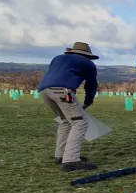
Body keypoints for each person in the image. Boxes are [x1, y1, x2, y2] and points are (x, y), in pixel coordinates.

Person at [37, 42, 100, 171]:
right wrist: (88, 102)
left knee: (65, 121)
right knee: (79, 123)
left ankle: (60, 156)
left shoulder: (58, 58)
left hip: (44, 91)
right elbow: (91, 85)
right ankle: (71, 160)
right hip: (63, 91)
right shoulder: (87, 63)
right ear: (87, 55)